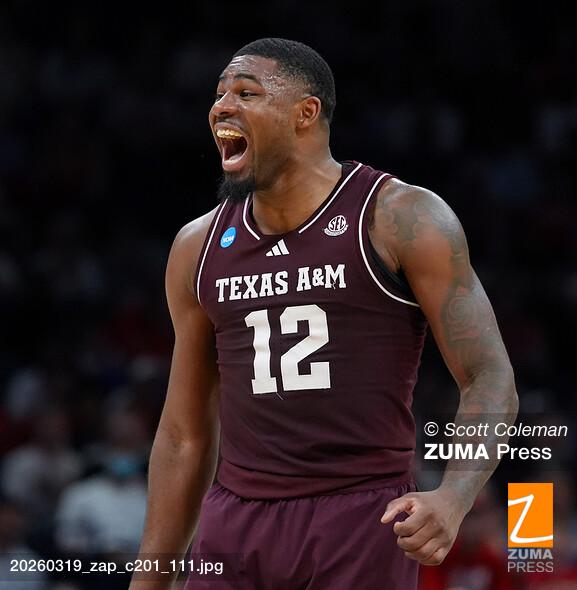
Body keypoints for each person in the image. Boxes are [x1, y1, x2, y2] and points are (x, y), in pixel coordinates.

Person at [130, 38, 518, 590]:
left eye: (246, 92)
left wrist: (455, 496)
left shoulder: (399, 217)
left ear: (305, 113)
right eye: (219, 94)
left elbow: (489, 375)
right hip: (234, 521)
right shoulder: (198, 246)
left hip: (359, 516)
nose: (221, 107)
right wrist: (151, 578)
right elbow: (183, 434)